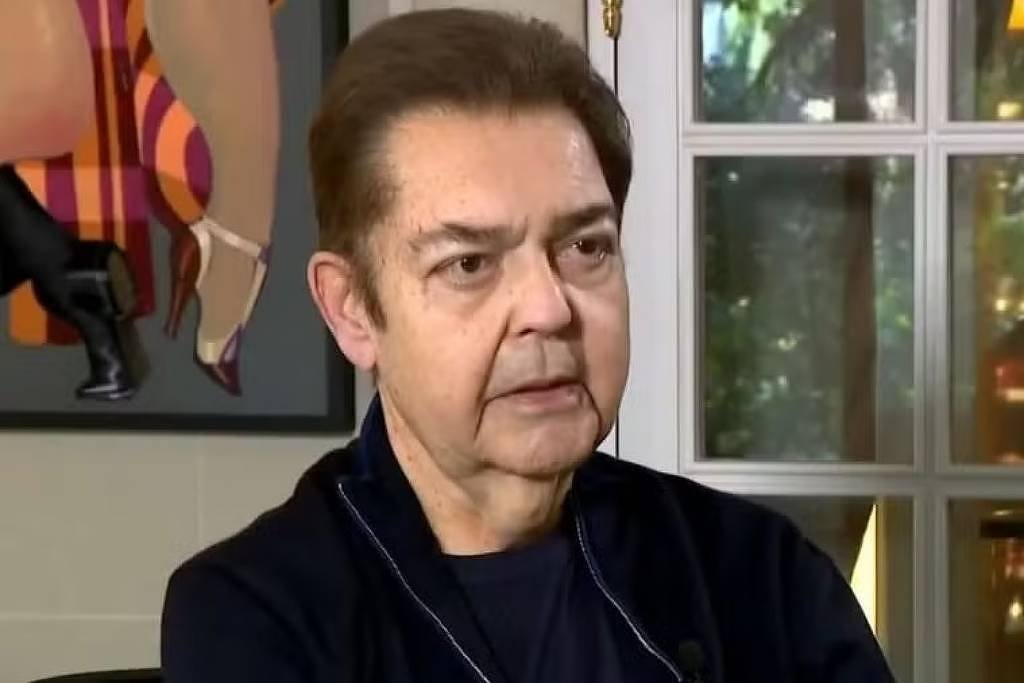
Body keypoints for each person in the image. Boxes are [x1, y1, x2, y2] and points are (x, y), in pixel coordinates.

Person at [160, 9, 896, 683]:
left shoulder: (760, 575)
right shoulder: (255, 613)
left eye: (585, 247)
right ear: (352, 310)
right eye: (468, 264)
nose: (548, 309)